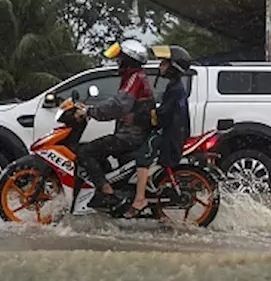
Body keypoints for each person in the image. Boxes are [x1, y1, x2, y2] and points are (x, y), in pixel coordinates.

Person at [76, 38, 155, 209]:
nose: (117, 62)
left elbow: (118, 106)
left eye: (120, 58)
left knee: (86, 152)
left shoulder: (135, 78)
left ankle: (106, 192)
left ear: (128, 61)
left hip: (131, 136)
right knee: (99, 152)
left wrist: (90, 111)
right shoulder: (135, 77)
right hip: (133, 133)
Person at [124, 44, 194, 218]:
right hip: (172, 131)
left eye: (164, 64)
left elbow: (163, 114)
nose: (160, 66)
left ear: (173, 67)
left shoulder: (176, 89)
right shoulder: (174, 87)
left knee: (142, 157)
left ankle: (139, 199)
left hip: (169, 134)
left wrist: (140, 117)